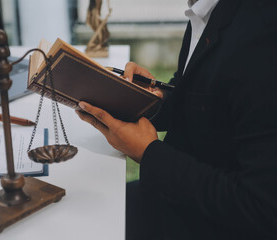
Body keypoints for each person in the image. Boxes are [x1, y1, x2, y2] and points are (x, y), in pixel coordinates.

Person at [76, 0, 277, 239]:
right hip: (179, 195)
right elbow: (203, 93)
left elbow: (261, 209)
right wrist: (146, 100)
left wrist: (148, 152)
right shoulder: (205, 10)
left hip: (209, 221)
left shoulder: (263, 34)